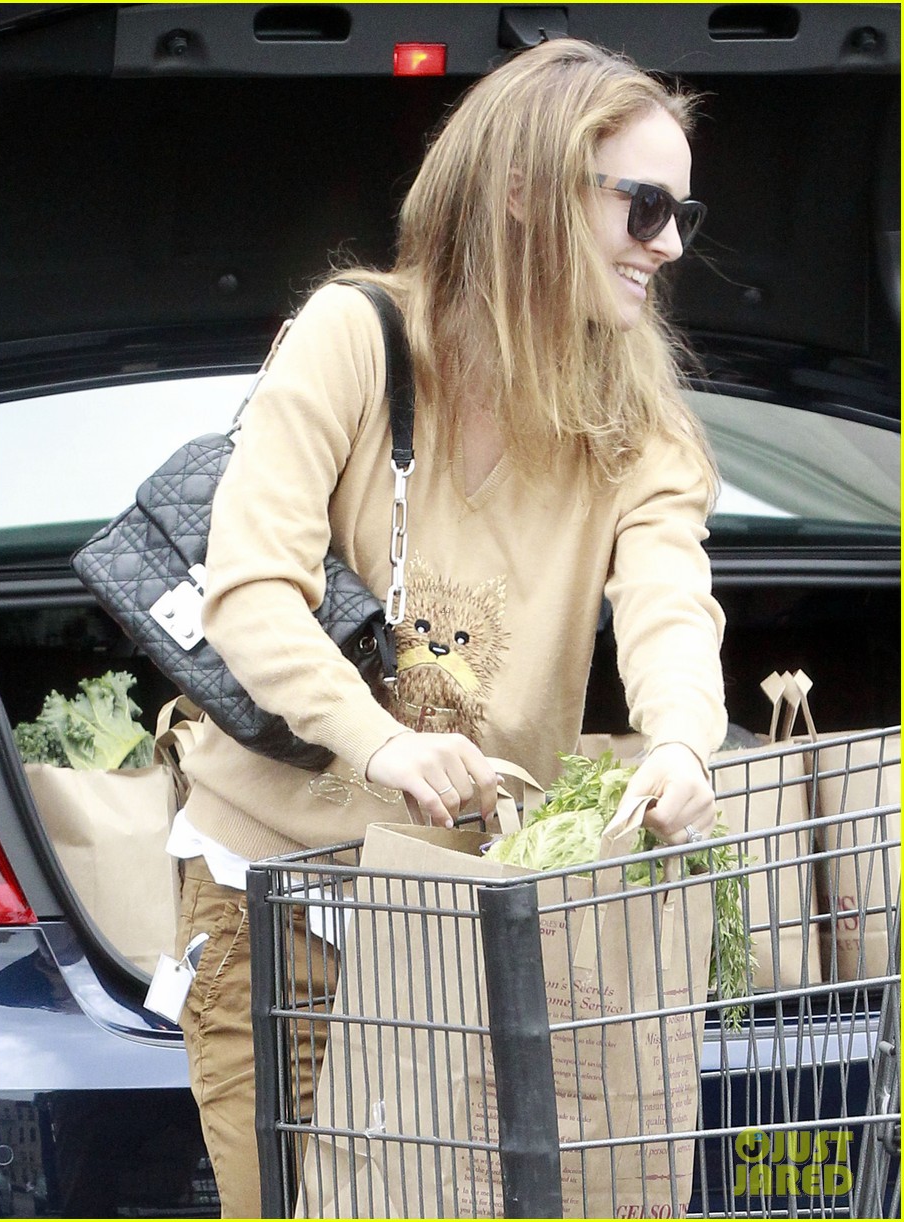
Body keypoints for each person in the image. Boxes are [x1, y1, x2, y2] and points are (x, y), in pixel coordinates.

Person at [169, 37, 727, 1219]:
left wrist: (683, 742)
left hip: (459, 921)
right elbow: (249, 589)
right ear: (525, 188)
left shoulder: (640, 422)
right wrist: (379, 742)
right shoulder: (355, 337)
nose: (669, 245)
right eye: (642, 207)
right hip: (279, 897)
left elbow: (670, 600)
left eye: (682, 213)